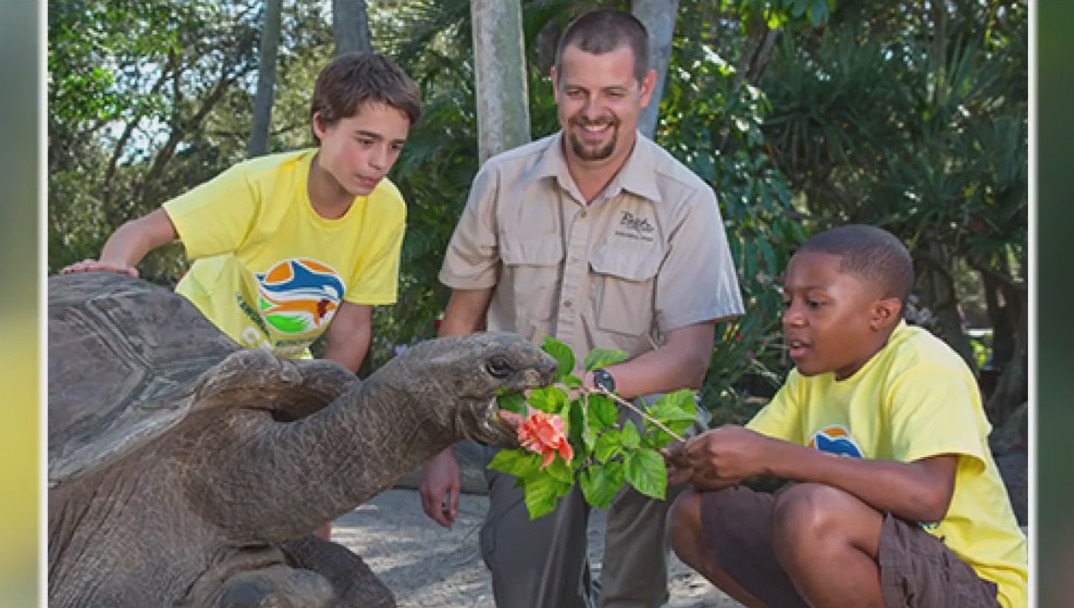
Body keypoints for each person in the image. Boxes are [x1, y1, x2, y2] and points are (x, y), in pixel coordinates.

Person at [419, 8, 744, 608]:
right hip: (526, 418)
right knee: (526, 591)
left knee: (667, 433)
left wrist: (587, 387)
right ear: (555, 87)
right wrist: (438, 449)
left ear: (644, 90)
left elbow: (690, 358)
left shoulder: (687, 200)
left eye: (614, 93)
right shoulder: (501, 182)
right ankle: (545, 568)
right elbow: (459, 324)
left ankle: (628, 600)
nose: (593, 110)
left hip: (632, 407)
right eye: (578, 92)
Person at [60, 51, 423, 539]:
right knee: (173, 518)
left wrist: (325, 415)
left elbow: (352, 325)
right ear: (322, 124)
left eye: (395, 147)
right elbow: (141, 231)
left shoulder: (386, 209)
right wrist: (113, 270)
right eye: (365, 141)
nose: (380, 162)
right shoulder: (258, 185)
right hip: (196, 361)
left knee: (311, 514)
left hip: (281, 372)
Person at [665, 224, 1028, 608]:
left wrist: (772, 456)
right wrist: (690, 459)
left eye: (815, 303)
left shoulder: (924, 366)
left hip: (974, 587)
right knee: (696, 515)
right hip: (890, 570)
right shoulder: (810, 379)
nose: (791, 318)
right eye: (788, 302)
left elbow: (928, 496)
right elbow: (744, 458)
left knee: (812, 512)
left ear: (881, 314)